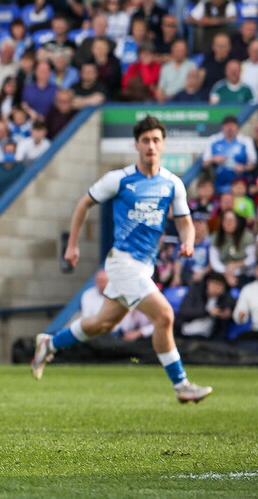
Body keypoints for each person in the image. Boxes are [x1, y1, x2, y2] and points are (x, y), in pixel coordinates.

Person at [32, 116, 212, 403]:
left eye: (156, 140)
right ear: (136, 145)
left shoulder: (172, 184)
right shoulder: (120, 179)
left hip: (144, 267)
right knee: (164, 315)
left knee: (102, 324)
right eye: (145, 140)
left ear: (163, 144)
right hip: (123, 262)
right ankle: (181, 385)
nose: (151, 146)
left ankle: (49, 343)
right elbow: (84, 203)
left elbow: (185, 222)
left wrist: (188, 241)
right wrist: (73, 245)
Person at [202, 116, 256, 194]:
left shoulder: (245, 141)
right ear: (222, 127)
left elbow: (253, 164)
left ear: (237, 127)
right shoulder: (213, 140)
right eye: (227, 126)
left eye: (232, 126)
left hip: (241, 188)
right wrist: (213, 159)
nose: (230, 129)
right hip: (219, 186)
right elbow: (204, 164)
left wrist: (243, 168)